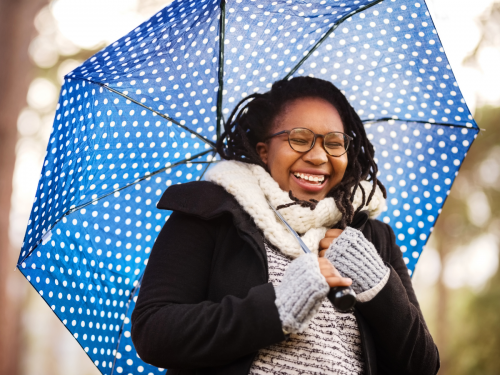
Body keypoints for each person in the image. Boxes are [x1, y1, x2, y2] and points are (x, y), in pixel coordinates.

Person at [131, 76, 439, 375]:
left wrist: (376, 284)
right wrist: (279, 305)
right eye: (300, 139)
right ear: (264, 151)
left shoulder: (371, 236)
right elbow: (154, 331)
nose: (319, 157)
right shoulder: (210, 211)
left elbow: (421, 365)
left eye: (335, 143)